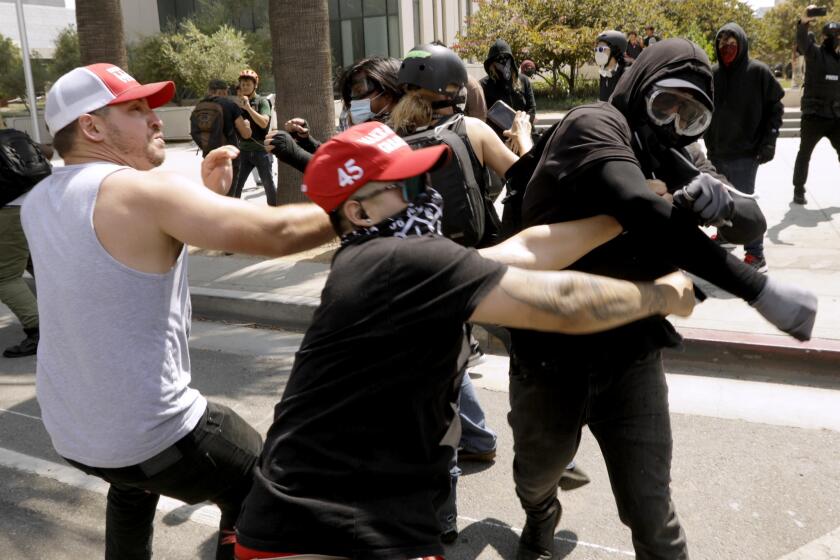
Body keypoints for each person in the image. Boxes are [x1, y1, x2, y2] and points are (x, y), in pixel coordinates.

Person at [233, 120, 697, 560]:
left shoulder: (376, 262)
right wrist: (662, 296)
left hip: (343, 514)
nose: (427, 196)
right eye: (408, 187)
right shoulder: (402, 261)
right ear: (358, 211)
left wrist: (622, 216)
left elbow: (526, 250)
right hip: (325, 526)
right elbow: (562, 303)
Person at [505, 39, 818, 560]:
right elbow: (637, 206)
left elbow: (753, 220)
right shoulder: (594, 125)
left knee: (654, 515)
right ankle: (541, 512)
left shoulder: (668, 155)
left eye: (691, 114)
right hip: (549, 354)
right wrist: (756, 289)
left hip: (632, 355)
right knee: (536, 476)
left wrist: (722, 202)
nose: (673, 122)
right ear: (639, 87)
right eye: (666, 103)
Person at [21, 63, 335, 560]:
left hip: (74, 431)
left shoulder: (39, 199)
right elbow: (277, 234)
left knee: (132, 484)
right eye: (136, 109)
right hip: (153, 431)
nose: (155, 118)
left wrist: (206, 197)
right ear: (93, 127)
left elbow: (125, 257)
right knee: (265, 481)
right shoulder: (138, 192)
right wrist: (362, 203)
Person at [704, 23, 784, 273]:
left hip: (746, 154)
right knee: (720, 198)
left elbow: (776, 108)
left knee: (744, 204)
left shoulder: (758, 72)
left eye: (731, 44)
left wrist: (769, 141)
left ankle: (756, 254)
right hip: (717, 151)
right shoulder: (713, 73)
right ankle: (726, 236)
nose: (726, 49)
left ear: (741, 45)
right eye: (722, 44)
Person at [269, 56, 404, 173]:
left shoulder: (403, 135)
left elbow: (346, 175)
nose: (353, 101)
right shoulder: (375, 129)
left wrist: (294, 154)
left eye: (359, 91)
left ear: (388, 95)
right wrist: (307, 141)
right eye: (351, 95)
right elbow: (342, 160)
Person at [0, 121, 48, 358]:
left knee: (5, 277)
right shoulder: (15, 134)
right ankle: (66, 314)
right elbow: (46, 153)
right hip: (37, 202)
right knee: (36, 262)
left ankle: (38, 331)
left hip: (8, 211)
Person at [792, 8, 840, 205]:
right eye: (831, 36)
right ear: (824, 37)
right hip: (814, 117)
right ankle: (798, 190)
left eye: (838, 36)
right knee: (804, 155)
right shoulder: (815, 54)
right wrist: (803, 22)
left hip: (836, 117)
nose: (835, 39)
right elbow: (803, 41)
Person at [192, 78, 253, 188]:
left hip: (209, 158)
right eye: (226, 91)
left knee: (214, 195)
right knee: (230, 198)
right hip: (229, 158)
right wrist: (247, 125)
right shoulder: (230, 105)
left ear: (209, 91)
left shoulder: (198, 107)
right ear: (223, 91)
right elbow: (246, 134)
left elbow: (195, 132)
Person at [230, 69, 277, 206]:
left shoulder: (262, 102)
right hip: (243, 151)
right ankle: (234, 213)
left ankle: (274, 214)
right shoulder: (236, 104)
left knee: (268, 186)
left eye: (248, 84)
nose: (245, 87)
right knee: (236, 186)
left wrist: (249, 108)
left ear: (255, 86)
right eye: (242, 84)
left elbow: (264, 123)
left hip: (261, 151)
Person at [480, 39, 537, 137]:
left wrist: (521, 128)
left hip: (524, 133)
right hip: (498, 137)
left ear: (511, 59)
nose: (503, 62)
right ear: (491, 63)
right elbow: (483, 114)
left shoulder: (523, 80)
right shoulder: (484, 85)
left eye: (506, 57)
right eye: (498, 59)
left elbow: (531, 108)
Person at [595, 30, 628, 101]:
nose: (598, 52)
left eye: (601, 49)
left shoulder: (626, 74)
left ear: (614, 50)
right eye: (596, 49)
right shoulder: (603, 73)